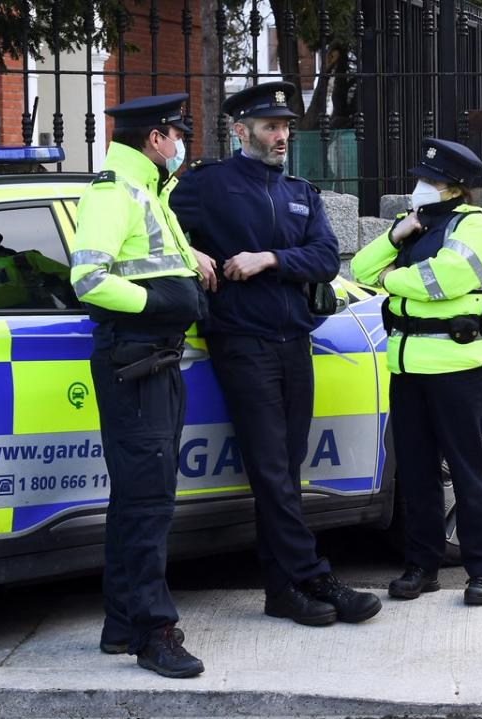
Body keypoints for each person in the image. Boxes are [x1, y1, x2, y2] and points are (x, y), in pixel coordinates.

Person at [169, 82, 381, 626]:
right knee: (269, 469)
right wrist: (190, 251)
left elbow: (326, 258)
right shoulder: (207, 185)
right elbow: (153, 220)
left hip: (295, 343)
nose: (282, 135)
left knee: (285, 469)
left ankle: (281, 591)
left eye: (285, 126)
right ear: (241, 131)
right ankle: (314, 576)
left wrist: (268, 258)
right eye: (270, 127)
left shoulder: (301, 192)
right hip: (240, 341)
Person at [70, 93, 207, 678]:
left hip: (154, 363)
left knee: (136, 501)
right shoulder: (114, 191)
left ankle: (122, 624)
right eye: (176, 134)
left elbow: (156, 260)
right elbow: (88, 277)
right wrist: (155, 303)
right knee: (148, 505)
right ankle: (155, 632)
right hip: (135, 364)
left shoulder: (148, 192)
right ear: (156, 137)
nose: (179, 145)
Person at [351, 138, 482, 606]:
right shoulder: (413, 226)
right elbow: (359, 267)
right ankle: (422, 566)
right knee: (416, 473)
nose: (419, 186)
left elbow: (444, 280)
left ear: (454, 188)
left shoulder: (476, 227)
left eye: (429, 181)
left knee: (468, 469)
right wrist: (397, 236)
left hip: (457, 367)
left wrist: (390, 280)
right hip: (407, 366)